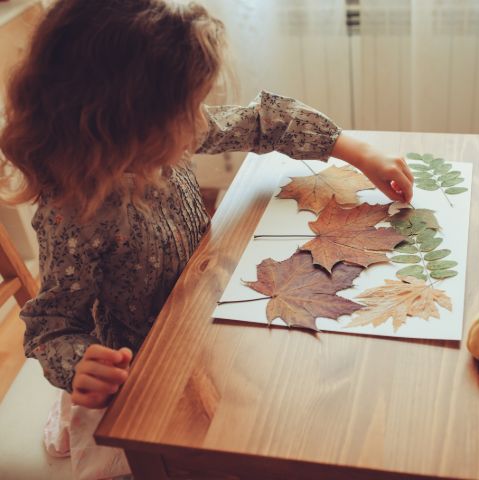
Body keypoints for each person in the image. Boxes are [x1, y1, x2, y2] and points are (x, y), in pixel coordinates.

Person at [0, 1, 412, 472]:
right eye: (187, 111)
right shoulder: (73, 214)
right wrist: (79, 366)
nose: (201, 124)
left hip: (207, 312)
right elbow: (50, 327)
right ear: (124, 121)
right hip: (149, 370)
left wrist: (357, 151)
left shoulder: (160, 133)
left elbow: (262, 120)